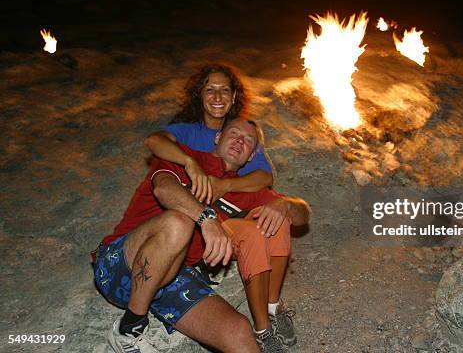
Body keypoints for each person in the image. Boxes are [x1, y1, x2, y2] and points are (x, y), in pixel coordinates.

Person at [92, 118, 311, 353]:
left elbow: (302, 215)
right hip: (119, 262)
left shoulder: (242, 189)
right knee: (180, 222)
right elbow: (163, 189)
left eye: (248, 140)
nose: (239, 140)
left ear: (250, 157)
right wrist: (207, 219)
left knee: (239, 332)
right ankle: (129, 330)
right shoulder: (186, 158)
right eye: (234, 133)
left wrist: (285, 204)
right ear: (217, 138)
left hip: (173, 276)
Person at [144, 63, 273, 205]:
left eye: (224, 90)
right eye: (210, 90)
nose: (218, 98)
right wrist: (189, 162)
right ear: (200, 94)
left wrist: (225, 185)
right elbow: (154, 140)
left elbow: (265, 177)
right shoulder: (188, 130)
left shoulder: (240, 136)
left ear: (234, 96)